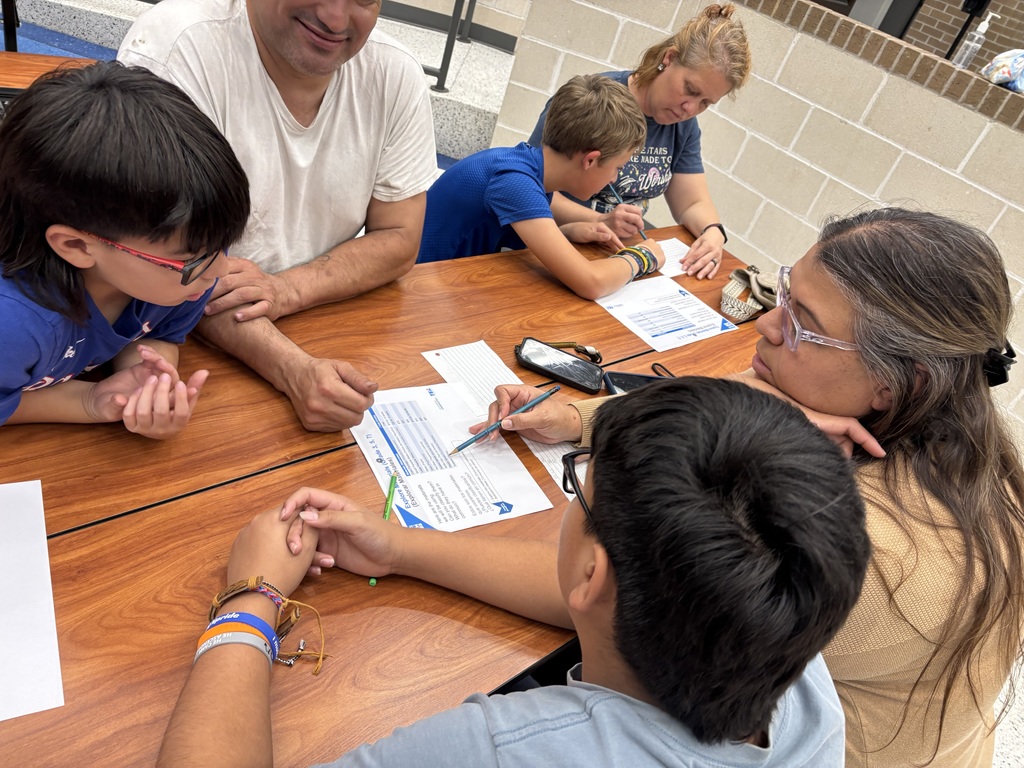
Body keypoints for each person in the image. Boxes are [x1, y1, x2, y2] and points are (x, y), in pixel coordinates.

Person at [471, 208, 1024, 767]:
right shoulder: (967, 452)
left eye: (803, 324)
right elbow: (714, 414)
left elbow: (602, 588)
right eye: (784, 292)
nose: (767, 324)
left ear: (898, 382)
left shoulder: (873, 548)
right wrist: (575, 417)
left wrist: (400, 547)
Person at [158, 378, 870, 767]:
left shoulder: (503, 751)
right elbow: (612, 600)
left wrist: (249, 601)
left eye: (580, 483)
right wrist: (400, 548)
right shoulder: (794, 660)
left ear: (595, 570)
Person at [118, 0, 438, 432]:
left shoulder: (395, 72)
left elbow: (400, 238)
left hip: (319, 328)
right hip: (179, 349)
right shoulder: (180, 48)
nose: (336, 19)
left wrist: (286, 290)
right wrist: (293, 370)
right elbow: (177, 271)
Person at [0, 61, 250, 438]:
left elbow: (156, 335)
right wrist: (88, 401)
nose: (221, 271)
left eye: (222, 244)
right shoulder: (14, 326)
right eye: (192, 259)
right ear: (76, 246)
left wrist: (150, 381)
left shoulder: (186, 276)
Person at [528, 3, 751, 281]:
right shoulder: (594, 102)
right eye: (690, 90)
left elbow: (693, 201)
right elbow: (531, 189)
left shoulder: (684, 127)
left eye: (705, 102)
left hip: (622, 252)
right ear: (669, 59)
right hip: (557, 243)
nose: (690, 108)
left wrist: (713, 232)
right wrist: (597, 220)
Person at [418, 75, 665, 300]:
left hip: (445, 283)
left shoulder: (531, 167)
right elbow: (591, 282)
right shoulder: (514, 182)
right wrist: (642, 257)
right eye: (617, 168)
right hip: (416, 291)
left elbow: (518, 236)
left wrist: (567, 232)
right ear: (590, 160)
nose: (613, 179)